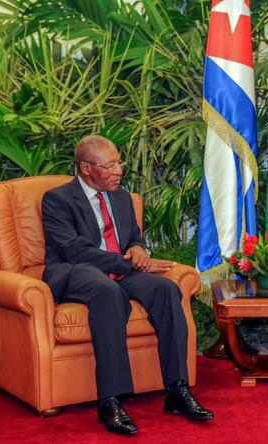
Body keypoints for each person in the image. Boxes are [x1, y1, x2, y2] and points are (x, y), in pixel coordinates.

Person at [41, 135, 213, 435]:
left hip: (122, 268)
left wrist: (138, 249)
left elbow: (133, 237)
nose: (119, 170)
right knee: (108, 294)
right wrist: (127, 262)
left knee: (166, 290)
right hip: (76, 270)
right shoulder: (57, 199)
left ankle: (177, 390)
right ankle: (110, 400)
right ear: (85, 168)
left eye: (119, 163)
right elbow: (74, 250)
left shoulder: (122, 198)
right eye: (109, 166)